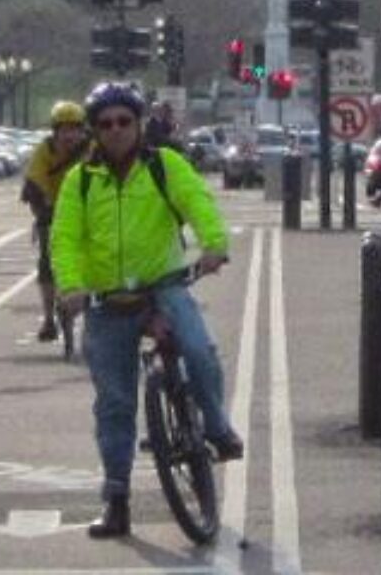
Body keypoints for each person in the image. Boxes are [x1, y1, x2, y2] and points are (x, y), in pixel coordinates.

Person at [52, 81, 243, 539]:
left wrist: (214, 245)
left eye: (123, 121)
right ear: (94, 132)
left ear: (138, 124)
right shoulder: (80, 182)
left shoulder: (164, 165)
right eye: (104, 124)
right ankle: (116, 500)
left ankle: (217, 427)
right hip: (106, 299)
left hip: (164, 285)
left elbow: (198, 203)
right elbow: (65, 240)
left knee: (198, 350)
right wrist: (72, 287)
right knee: (114, 404)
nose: (115, 130)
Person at [21, 101, 89, 341]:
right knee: (47, 264)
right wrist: (40, 208)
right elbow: (34, 181)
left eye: (75, 129)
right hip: (53, 211)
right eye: (64, 129)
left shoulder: (93, 149)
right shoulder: (46, 151)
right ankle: (49, 318)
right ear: (55, 131)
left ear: (83, 130)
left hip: (88, 211)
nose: (69, 135)